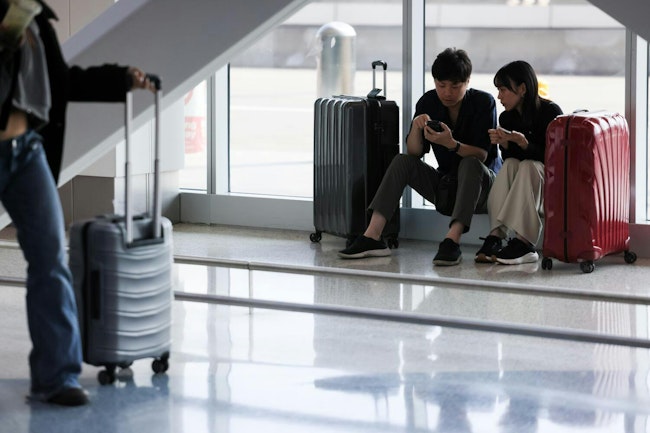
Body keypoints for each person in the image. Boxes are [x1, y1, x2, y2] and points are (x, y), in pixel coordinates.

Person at [0, 0, 153, 406]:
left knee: (50, 258)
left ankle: (56, 377)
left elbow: (61, 82)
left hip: (26, 152)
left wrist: (120, 79)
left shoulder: (33, 17)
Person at [338, 47, 500, 265]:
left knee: (469, 163)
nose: (447, 93)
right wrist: (416, 128)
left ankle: (452, 241)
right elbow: (413, 152)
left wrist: (452, 144)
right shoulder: (429, 102)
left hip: (482, 190)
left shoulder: (483, 102)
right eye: (441, 85)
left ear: (467, 81)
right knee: (402, 161)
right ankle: (372, 236)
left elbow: (482, 155)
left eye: (455, 86)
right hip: (447, 187)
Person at [474, 60, 563, 265]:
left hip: (549, 182)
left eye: (503, 90)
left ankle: (525, 242)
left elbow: (555, 160)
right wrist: (505, 145)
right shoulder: (507, 118)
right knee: (512, 163)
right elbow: (510, 159)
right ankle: (496, 235)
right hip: (528, 181)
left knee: (528, 165)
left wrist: (525, 144)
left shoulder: (550, 113)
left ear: (522, 89)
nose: (499, 96)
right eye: (498, 90)